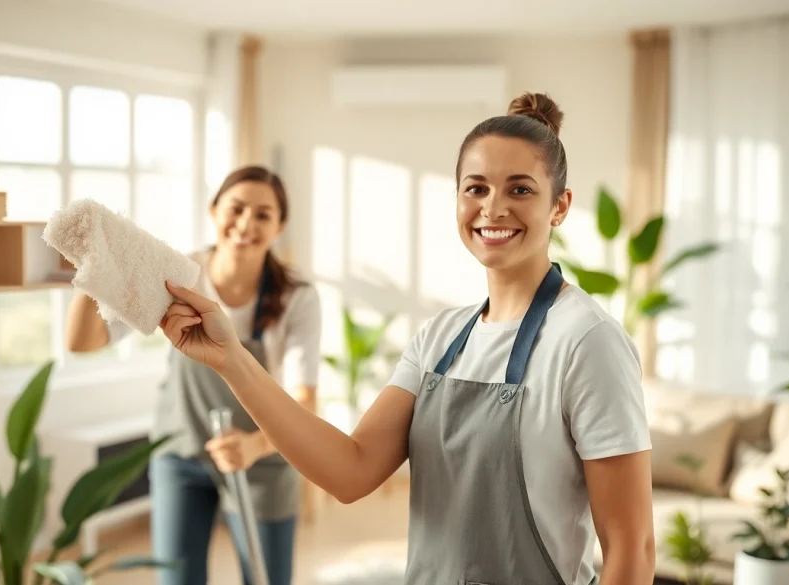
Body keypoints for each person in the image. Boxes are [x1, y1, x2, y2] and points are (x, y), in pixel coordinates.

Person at [157, 93, 656, 585]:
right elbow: (349, 472)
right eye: (476, 188)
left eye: (520, 190)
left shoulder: (587, 342)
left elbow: (633, 549)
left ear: (560, 206)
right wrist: (232, 361)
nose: (493, 208)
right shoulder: (440, 339)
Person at [65, 165, 322, 585]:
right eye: (235, 209)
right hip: (181, 451)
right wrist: (90, 268)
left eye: (263, 215)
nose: (245, 224)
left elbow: (304, 400)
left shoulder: (298, 297)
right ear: (213, 210)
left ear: (280, 226)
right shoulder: (177, 275)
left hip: (262, 458)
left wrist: (254, 445)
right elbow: (82, 342)